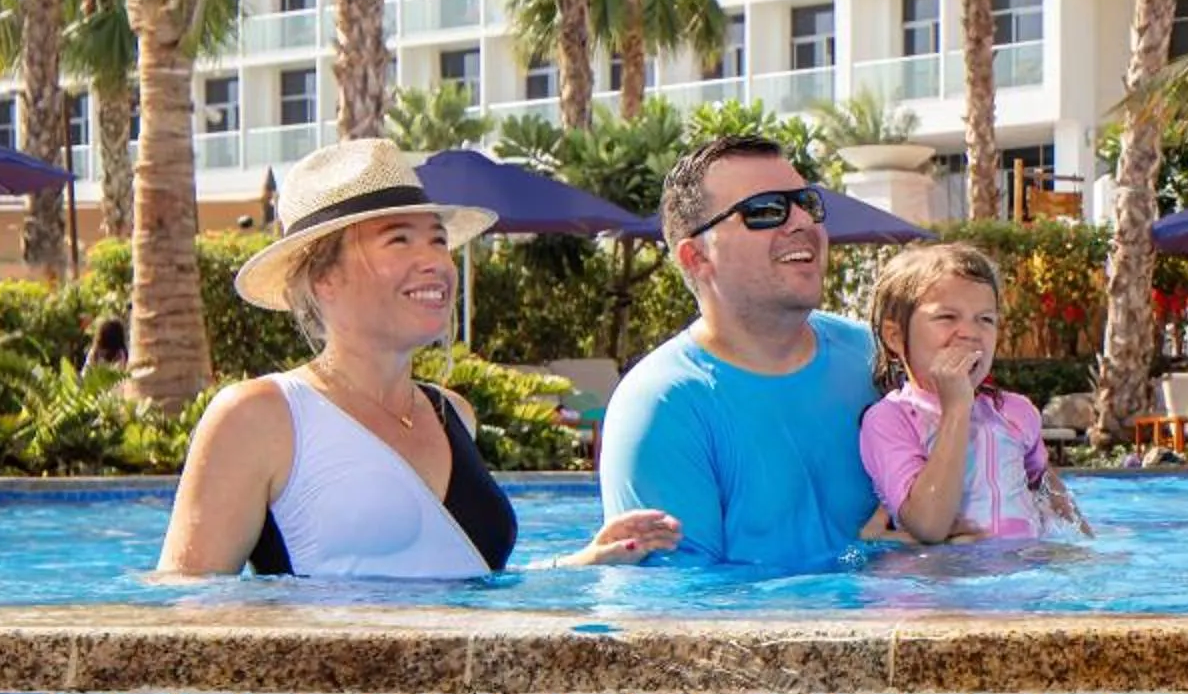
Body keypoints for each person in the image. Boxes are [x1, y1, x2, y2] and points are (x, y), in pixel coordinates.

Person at [158, 139, 679, 579]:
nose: (434, 262)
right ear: (324, 278)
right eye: (399, 240)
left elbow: (460, 585)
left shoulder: (454, 414)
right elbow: (183, 611)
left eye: (436, 240)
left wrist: (581, 562)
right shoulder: (259, 417)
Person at [598, 134, 883, 569]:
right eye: (766, 211)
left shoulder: (875, 357)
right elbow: (685, 615)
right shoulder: (662, 406)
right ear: (696, 257)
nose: (803, 221)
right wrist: (882, 566)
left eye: (807, 202)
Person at [858, 242, 1083, 544]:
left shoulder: (1015, 412)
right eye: (947, 317)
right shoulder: (890, 419)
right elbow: (929, 526)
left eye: (985, 319)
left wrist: (1084, 551)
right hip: (940, 583)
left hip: (1022, 574)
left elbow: (1046, 483)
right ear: (896, 337)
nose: (970, 332)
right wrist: (956, 409)